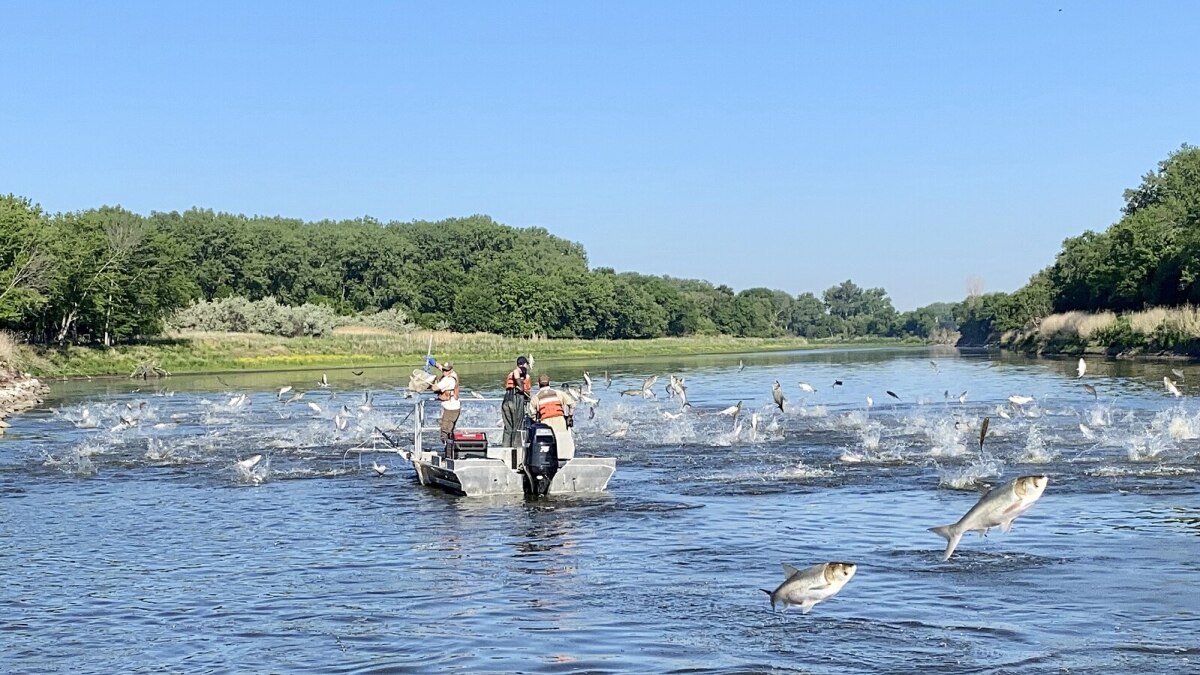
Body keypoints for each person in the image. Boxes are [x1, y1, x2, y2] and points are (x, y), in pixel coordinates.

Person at [526, 374, 576, 460]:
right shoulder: (559, 393)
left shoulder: (536, 397)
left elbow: (531, 414)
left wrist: (537, 421)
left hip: (546, 423)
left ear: (538, 384)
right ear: (550, 383)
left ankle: (550, 458)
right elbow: (572, 404)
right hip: (560, 421)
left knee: (549, 442)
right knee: (561, 441)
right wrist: (569, 417)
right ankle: (563, 458)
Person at [502, 356, 532, 448]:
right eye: (527, 364)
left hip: (507, 400)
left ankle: (506, 448)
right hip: (516, 400)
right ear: (524, 364)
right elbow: (525, 390)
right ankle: (516, 449)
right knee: (517, 426)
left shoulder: (510, 374)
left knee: (508, 427)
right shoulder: (523, 375)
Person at [430, 361, 460, 446]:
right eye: (443, 370)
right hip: (451, 408)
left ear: (451, 370)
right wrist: (433, 362)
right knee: (447, 430)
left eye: (447, 370)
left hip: (451, 409)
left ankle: (449, 450)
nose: (444, 372)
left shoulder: (449, 380)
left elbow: (435, 388)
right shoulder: (452, 374)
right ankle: (449, 449)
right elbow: (440, 367)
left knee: (445, 431)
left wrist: (427, 381)